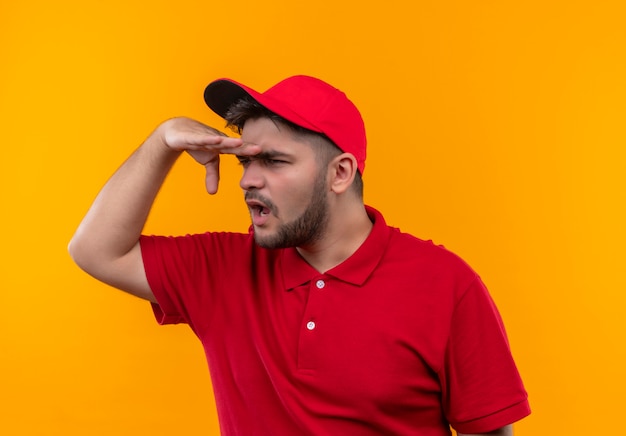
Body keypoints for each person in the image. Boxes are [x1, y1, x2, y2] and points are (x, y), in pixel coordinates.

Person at [69, 75, 530, 435]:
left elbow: (487, 431)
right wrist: (162, 142)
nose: (248, 180)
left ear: (340, 173)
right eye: (244, 161)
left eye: (273, 161)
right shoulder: (223, 267)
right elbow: (95, 250)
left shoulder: (445, 285)